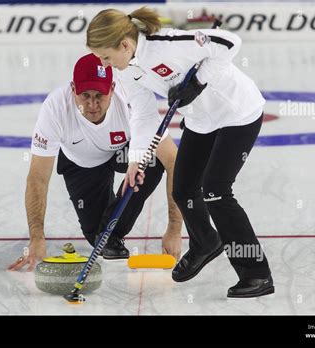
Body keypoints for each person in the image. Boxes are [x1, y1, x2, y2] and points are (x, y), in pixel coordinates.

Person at [87, 7, 274, 298]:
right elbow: (143, 114)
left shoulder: (167, 43)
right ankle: (205, 242)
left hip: (236, 112)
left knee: (216, 191)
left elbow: (228, 43)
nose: (102, 63)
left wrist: (198, 83)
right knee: (184, 189)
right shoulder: (124, 70)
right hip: (201, 119)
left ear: (125, 45)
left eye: (105, 56)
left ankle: (256, 274)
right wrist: (137, 159)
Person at [8, 53, 183, 272]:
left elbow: (175, 162)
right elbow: (37, 178)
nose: (92, 104)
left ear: (112, 88)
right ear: (73, 89)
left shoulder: (132, 100)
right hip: (82, 162)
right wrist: (36, 238)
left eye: (100, 95)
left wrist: (174, 230)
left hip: (126, 153)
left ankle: (112, 233)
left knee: (153, 158)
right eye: (85, 95)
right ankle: (108, 233)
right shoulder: (55, 108)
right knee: (97, 237)